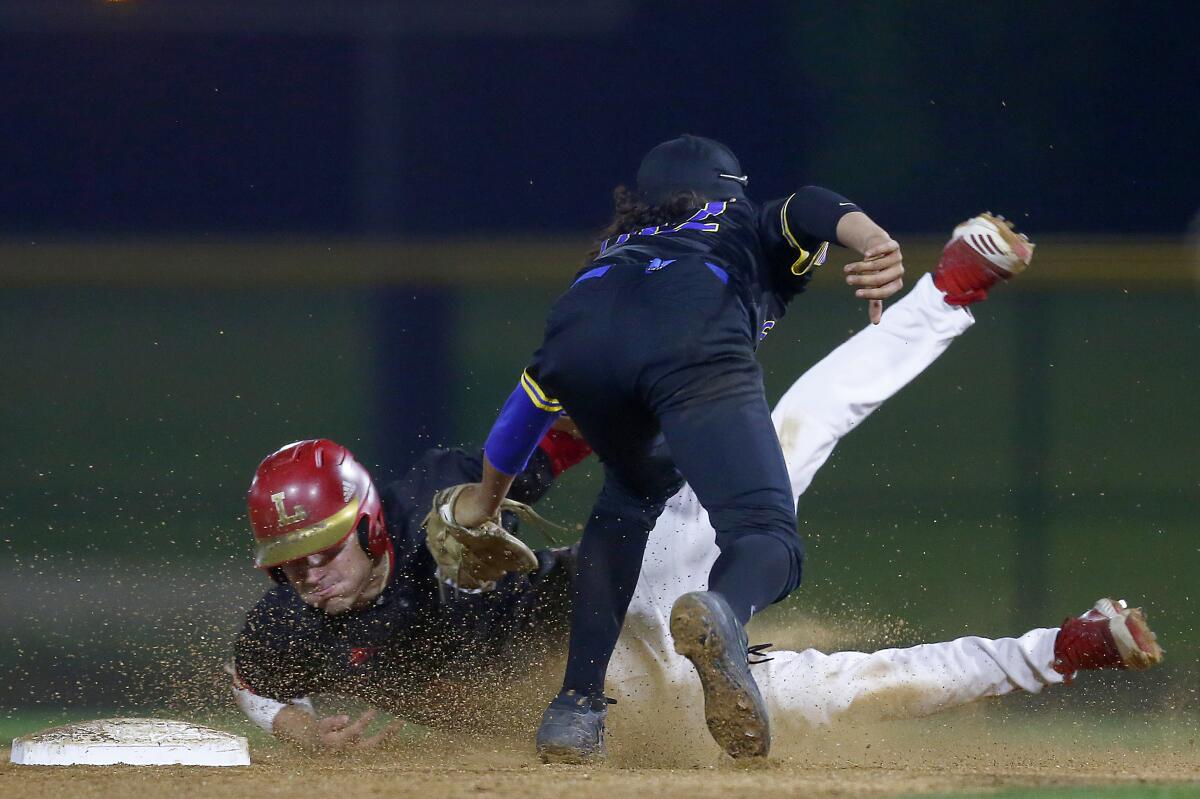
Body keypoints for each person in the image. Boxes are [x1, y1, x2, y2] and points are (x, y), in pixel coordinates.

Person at [229, 219, 1163, 754]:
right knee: (843, 693)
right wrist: (294, 728)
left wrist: (665, 404)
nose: (306, 578)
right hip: (642, 702)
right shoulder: (290, 623)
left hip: (618, 602)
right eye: (287, 567)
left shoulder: (434, 502)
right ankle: (1069, 647)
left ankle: (950, 287)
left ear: (372, 526)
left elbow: (553, 445)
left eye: (317, 552)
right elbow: (253, 677)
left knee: (786, 436)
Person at [449, 135, 906, 761]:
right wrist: (874, 239)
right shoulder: (737, 219)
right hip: (694, 336)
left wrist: (484, 501)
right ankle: (723, 612)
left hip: (581, 341)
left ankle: (575, 709)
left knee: (630, 496)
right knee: (765, 533)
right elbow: (809, 206)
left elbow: (532, 400)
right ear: (729, 188)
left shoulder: (614, 251)